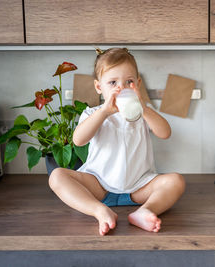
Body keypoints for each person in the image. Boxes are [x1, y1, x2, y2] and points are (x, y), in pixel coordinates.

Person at [49, 48, 185, 236]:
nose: (120, 88)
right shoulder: (92, 113)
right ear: (99, 87)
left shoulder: (143, 113)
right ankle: (99, 210)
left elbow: (165, 133)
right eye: (112, 82)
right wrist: (104, 112)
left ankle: (146, 211)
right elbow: (78, 141)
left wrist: (143, 108)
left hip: (139, 187)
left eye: (129, 82)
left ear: (138, 84)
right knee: (57, 176)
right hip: (99, 186)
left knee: (176, 181)